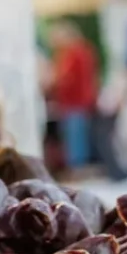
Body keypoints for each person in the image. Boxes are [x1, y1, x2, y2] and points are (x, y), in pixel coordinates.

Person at [45, 19, 101, 168]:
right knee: (77, 135)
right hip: (78, 100)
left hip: (75, 101)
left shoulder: (73, 53)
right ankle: (77, 165)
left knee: (75, 136)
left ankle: (77, 166)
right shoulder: (83, 50)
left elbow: (66, 78)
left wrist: (52, 82)